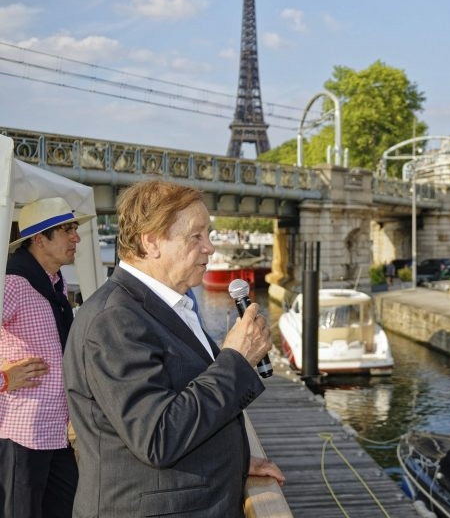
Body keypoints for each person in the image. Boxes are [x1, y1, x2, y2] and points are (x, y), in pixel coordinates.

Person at [63, 181, 284, 518]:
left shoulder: (165, 307)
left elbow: (181, 405)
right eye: (196, 236)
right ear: (151, 241)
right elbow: (158, 437)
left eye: (208, 234)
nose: (209, 247)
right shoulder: (114, 321)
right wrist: (236, 359)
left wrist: (235, 460)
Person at [1, 196, 94, 518]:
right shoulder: (13, 283)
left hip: (54, 432)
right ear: (40, 239)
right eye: (67, 230)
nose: (76, 237)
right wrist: (4, 379)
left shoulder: (53, 283)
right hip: (20, 434)